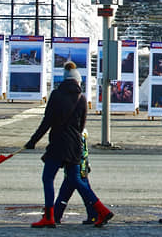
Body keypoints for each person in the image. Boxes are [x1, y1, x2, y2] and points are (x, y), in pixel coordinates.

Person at [24, 62, 114, 228]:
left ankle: (49, 217)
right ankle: (101, 210)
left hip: (58, 143)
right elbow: (81, 127)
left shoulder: (56, 95)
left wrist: (32, 141)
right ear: (78, 81)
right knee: (76, 179)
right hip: (75, 145)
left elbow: (47, 122)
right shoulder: (82, 98)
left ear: (64, 79)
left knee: (48, 178)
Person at [53, 128, 98, 225]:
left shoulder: (74, 134)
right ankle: (93, 215)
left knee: (65, 194)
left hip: (75, 167)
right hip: (82, 167)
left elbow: (77, 151)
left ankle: (56, 215)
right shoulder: (81, 133)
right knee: (80, 193)